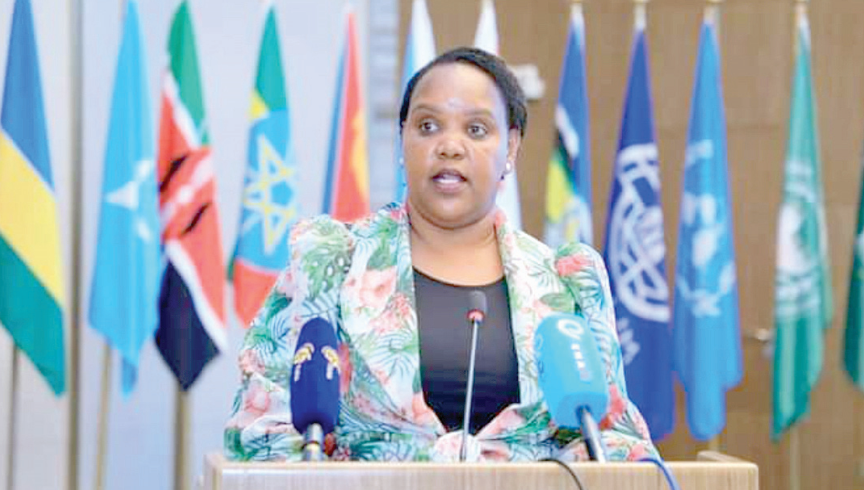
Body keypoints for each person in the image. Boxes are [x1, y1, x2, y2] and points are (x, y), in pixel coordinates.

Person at [224, 47, 658, 463]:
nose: (449, 146)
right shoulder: (329, 263)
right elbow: (259, 429)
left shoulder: (567, 283)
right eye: (428, 126)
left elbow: (614, 440)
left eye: (475, 129)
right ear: (402, 141)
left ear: (510, 148)